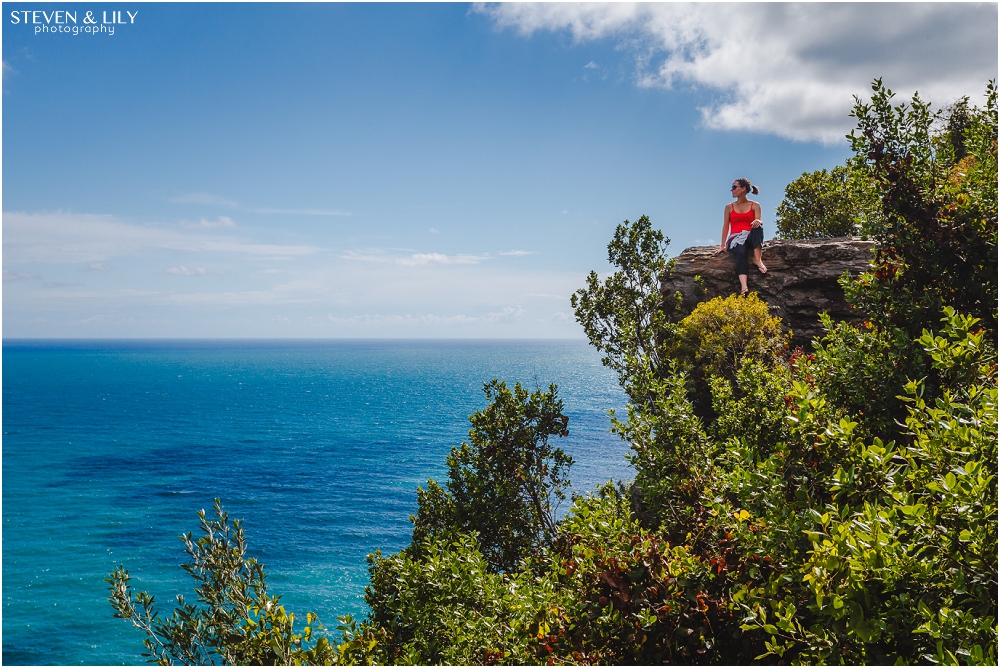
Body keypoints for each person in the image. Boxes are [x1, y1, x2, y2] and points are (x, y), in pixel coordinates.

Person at [715, 177, 766, 295]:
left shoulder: (755, 205)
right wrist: (722, 246)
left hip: (749, 237)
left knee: (758, 227)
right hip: (735, 239)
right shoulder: (729, 207)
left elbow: (760, 219)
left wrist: (758, 221)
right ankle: (744, 286)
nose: (731, 190)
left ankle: (757, 260)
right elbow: (726, 226)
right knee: (741, 251)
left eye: (734, 187)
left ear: (743, 189)